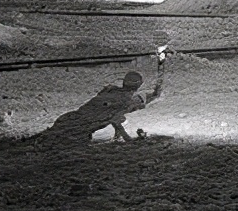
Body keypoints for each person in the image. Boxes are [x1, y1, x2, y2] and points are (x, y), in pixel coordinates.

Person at [38, 49, 167, 144]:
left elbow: (111, 114)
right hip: (80, 130)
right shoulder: (126, 101)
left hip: (71, 118)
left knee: (46, 137)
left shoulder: (110, 90)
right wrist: (127, 139)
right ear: (139, 86)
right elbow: (116, 120)